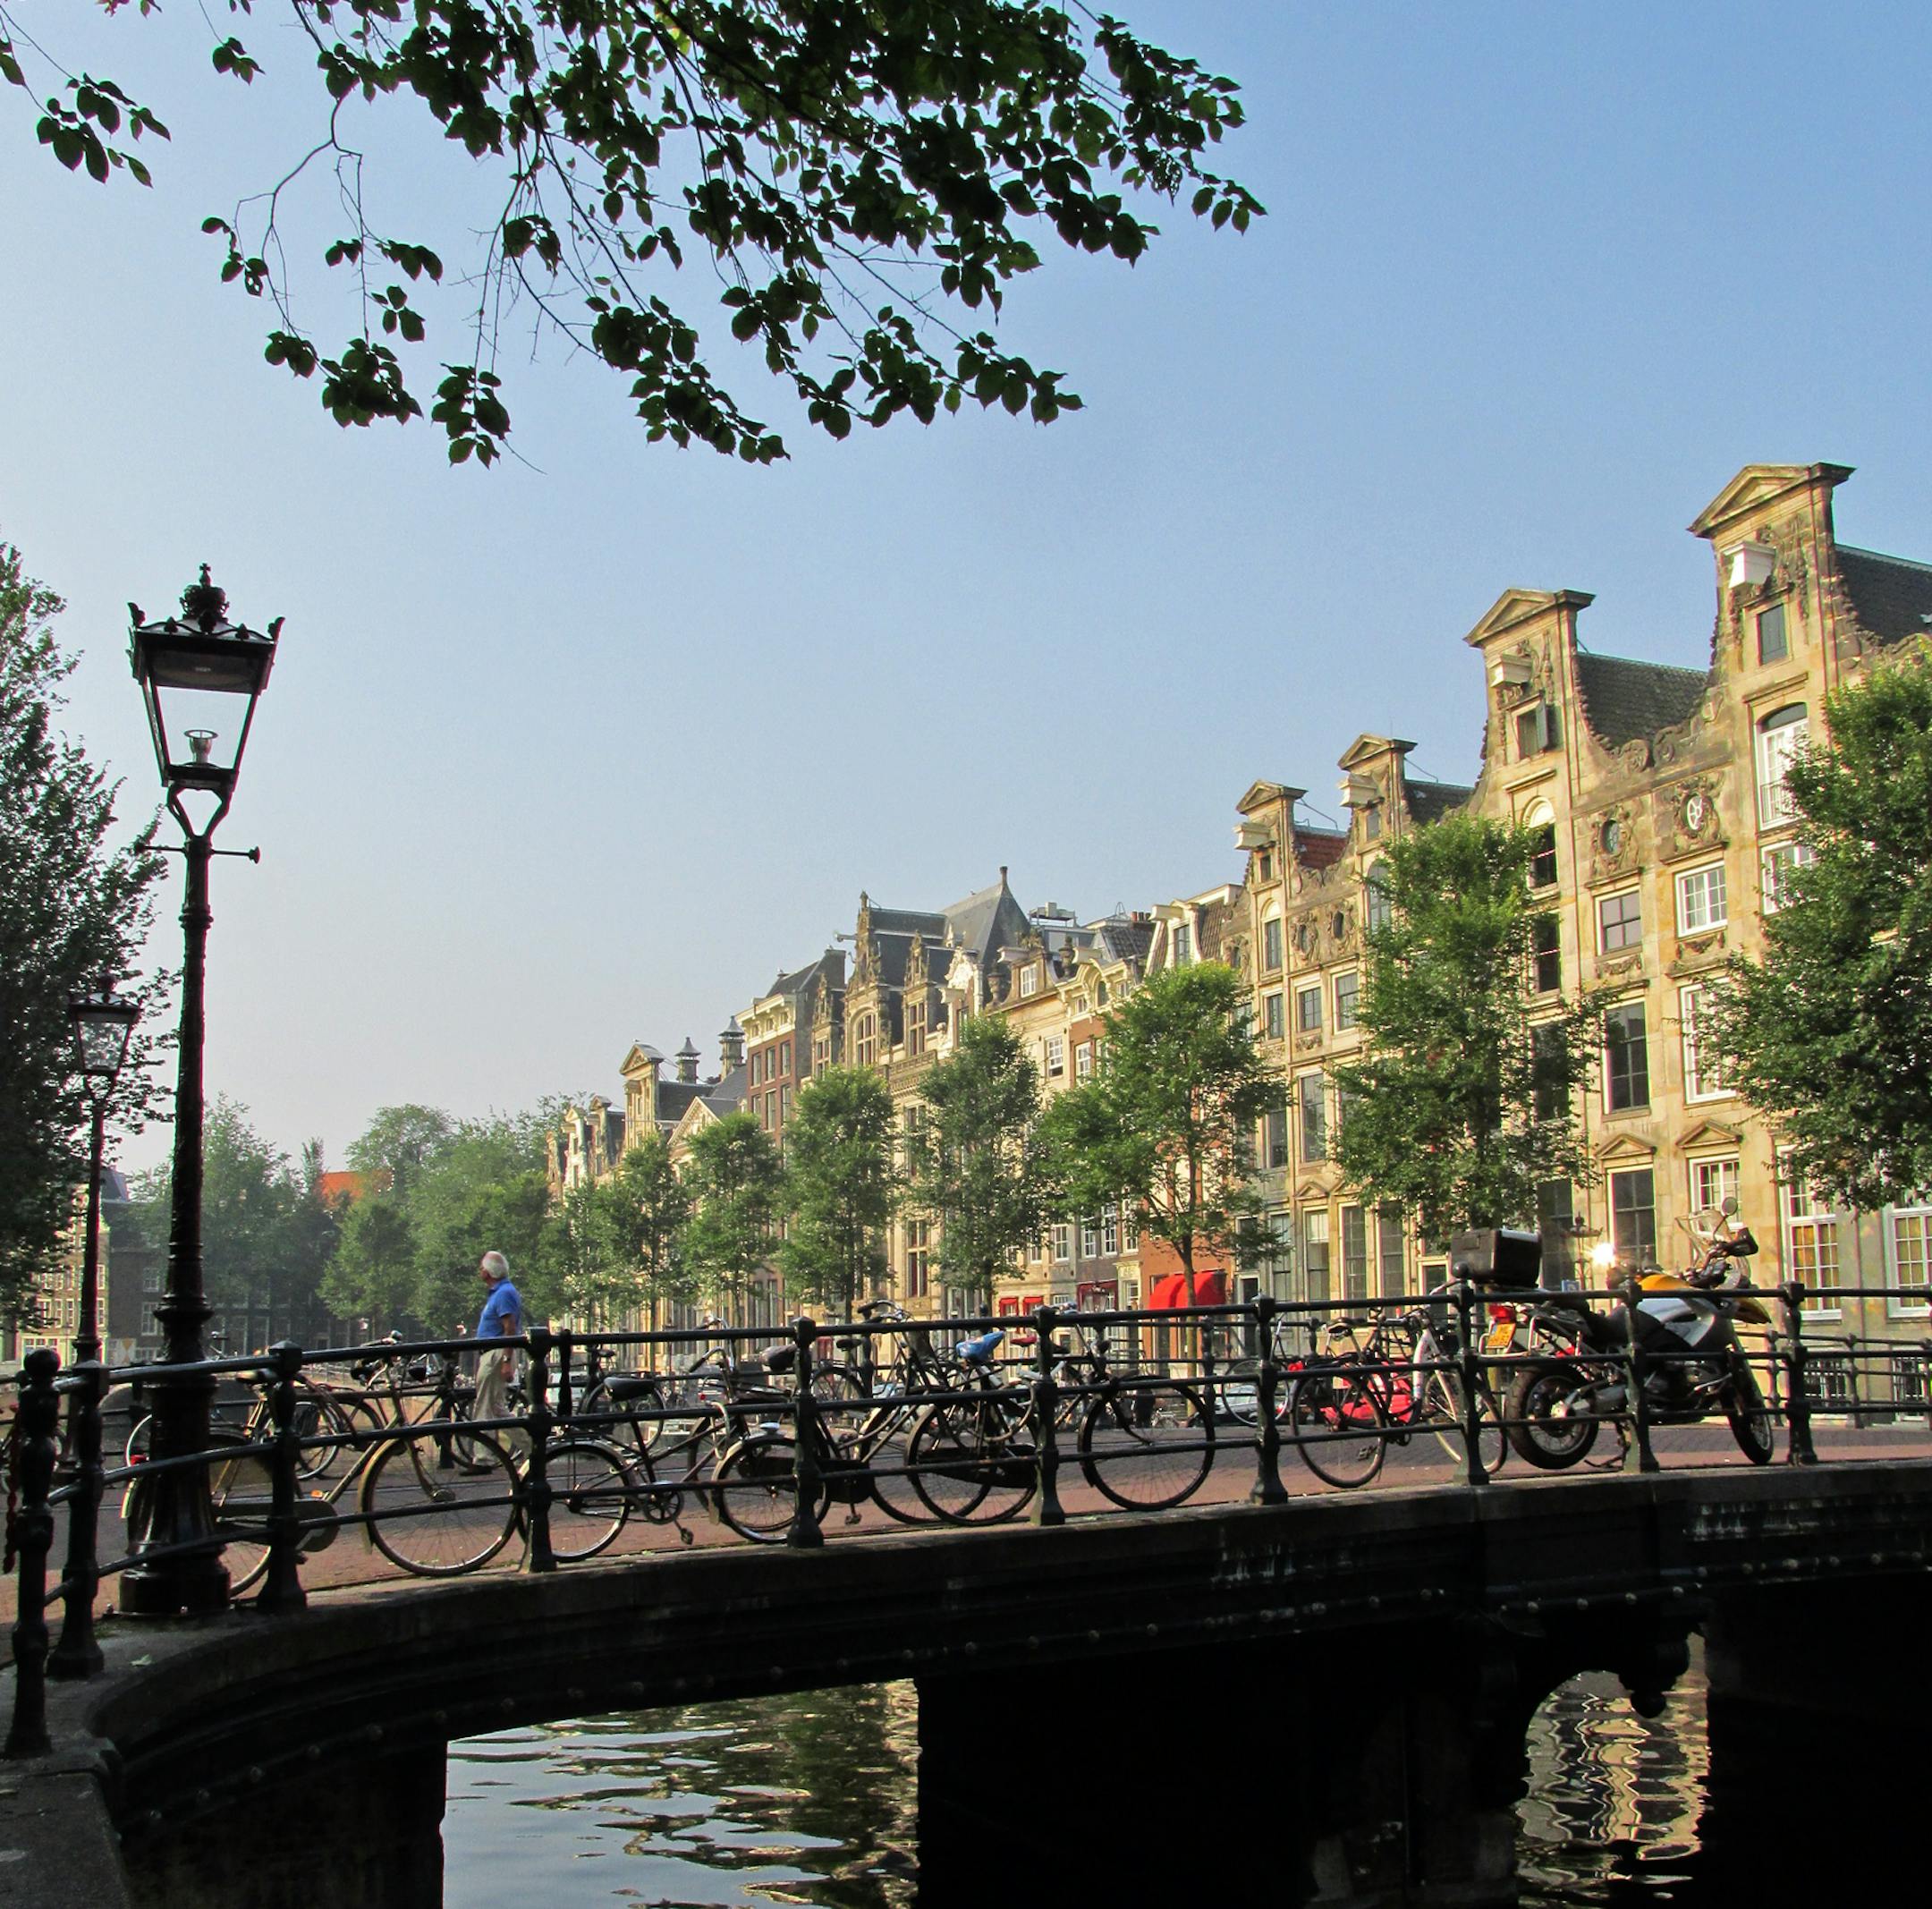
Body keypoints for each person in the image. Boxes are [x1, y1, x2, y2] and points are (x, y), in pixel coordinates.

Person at [473, 1250, 523, 1444]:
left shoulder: (504, 1294)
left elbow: (510, 1328)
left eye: (483, 1266)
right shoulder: (501, 1292)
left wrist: (506, 1361)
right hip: (493, 1353)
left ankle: (484, 1457)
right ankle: (532, 1445)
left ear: (490, 1272)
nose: (480, 1269)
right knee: (495, 1407)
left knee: (485, 1406)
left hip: (496, 1353)